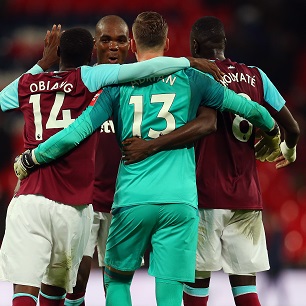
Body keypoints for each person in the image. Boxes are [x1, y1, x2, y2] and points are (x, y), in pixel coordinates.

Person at [13, 12, 279, 306]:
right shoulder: (193, 79)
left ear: (134, 45)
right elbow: (248, 107)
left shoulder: (117, 87)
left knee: (117, 281)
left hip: (132, 199)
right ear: (167, 42)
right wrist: (272, 131)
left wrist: (34, 157)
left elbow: (76, 132)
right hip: (180, 201)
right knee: (169, 291)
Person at [120, 16, 300, 306]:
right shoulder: (256, 76)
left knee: (197, 287)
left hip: (205, 195)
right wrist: (287, 148)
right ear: (224, 44)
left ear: (194, 45)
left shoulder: (200, 77)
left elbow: (207, 123)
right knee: (246, 289)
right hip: (246, 198)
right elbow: (292, 128)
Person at [64, 15, 131, 306]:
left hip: (123, 200)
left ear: (130, 45)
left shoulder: (139, 84)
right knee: (76, 279)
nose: (113, 46)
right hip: (83, 199)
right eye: (106, 39)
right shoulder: (80, 82)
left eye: (120, 40)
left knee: (115, 283)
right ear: (95, 44)